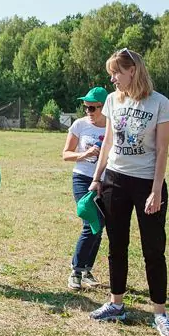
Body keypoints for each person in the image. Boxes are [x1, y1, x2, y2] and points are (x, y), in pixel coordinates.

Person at [88, 48, 169, 336]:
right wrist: (97, 177)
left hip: (146, 184)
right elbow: (109, 143)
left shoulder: (160, 103)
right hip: (115, 180)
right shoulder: (113, 101)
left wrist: (155, 191)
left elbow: (163, 150)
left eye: (116, 72)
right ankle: (116, 304)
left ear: (133, 71)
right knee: (117, 245)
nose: (112, 79)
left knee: (153, 249)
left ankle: (160, 313)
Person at [62, 86, 108, 290]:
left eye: (93, 108)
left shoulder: (113, 127)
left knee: (100, 226)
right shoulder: (79, 125)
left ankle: (87, 269)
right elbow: (66, 154)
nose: (88, 111)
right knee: (91, 222)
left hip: (107, 181)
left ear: (104, 108)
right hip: (82, 178)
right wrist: (84, 154)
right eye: (86, 107)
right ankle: (76, 270)